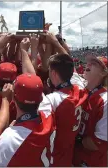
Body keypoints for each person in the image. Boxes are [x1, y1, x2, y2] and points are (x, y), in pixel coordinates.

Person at [0, 37, 56, 167]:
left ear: (13, 98)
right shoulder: (48, 116)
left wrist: (23, 49)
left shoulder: (10, 138)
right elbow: (32, 77)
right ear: (40, 98)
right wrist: (27, 50)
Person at [38, 32, 88, 166]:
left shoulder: (53, 100)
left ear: (53, 73)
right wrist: (54, 42)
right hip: (68, 154)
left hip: (55, 158)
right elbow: (70, 64)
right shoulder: (81, 88)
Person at [73, 56, 107, 167]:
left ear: (103, 73)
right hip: (74, 157)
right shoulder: (82, 88)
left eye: (94, 64)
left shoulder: (105, 101)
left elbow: (98, 143)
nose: (88, 65)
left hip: (91, 162)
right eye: (88, 63)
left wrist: (75, 138)